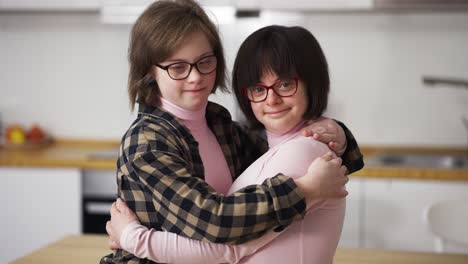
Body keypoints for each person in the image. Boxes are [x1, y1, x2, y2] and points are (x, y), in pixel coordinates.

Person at [101, 0, 364, 263]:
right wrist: (307, 192)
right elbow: (214, 221)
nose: (195, 77)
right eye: (177, 67)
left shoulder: (220, 126)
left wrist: (339, 137)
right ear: (149, 71)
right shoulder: (148, 143)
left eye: (204, 61)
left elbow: (283, 146)